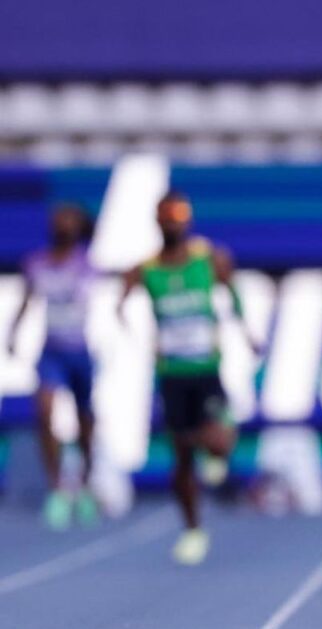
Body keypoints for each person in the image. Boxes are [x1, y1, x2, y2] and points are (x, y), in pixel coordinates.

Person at [117, 191, 250, 565]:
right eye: (167, 215)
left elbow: (233, 293)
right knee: (181, 459)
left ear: (188, 219)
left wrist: (247, 332)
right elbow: (119, 304)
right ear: (157, 220)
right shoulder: (146, 268)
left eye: (180, 214)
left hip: (206, 369)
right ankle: (192, 530)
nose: (174, 221)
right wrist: (128, 330)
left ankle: (212, 448)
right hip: (171, 373)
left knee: (219, 442)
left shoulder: (208, 257)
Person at [8, 203, 99, 530]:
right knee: (44, 411)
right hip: (52, 352)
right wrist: (13, 333)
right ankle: (57, 487)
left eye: (69, 220)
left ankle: (86, 480)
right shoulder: (37, 264)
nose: (62, 224)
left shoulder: (87, 263)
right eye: (58, 220)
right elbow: (27, 300)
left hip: (82, 351)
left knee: (84, 420)